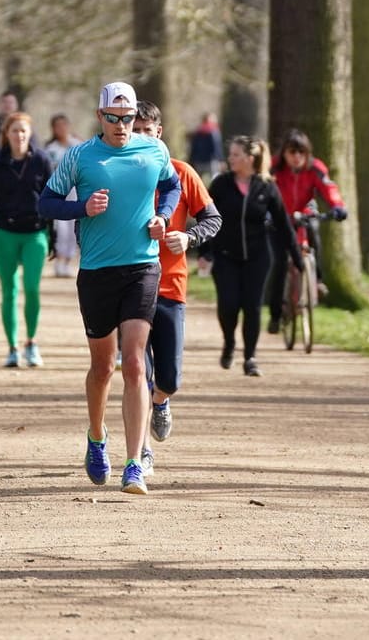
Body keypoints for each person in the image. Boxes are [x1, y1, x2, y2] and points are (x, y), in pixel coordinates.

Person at [36, 81, 181, 495]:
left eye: (129, 119)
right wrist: (82, 208)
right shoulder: (80, 156)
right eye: (114, 119)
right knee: (103, 368)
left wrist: (164, 218)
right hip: (97, 271)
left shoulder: (154, 151)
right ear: (100, 116)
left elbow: (171, 186)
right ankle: (97, 437)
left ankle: (135, 462)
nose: (122, 126)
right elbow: (45, 203)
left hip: (142, 267)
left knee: (134, 363)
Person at [131, 101, 221, 458]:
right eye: (133, 130)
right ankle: (141, 451)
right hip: (131, 286)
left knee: (169, 378)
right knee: (137, 371)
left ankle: (161, 401)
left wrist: (189, 238)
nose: (138, 137)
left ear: (158, 133)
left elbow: (212, 219)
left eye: (145, 131)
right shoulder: (116, 173)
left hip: (171, 285)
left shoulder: (181, 173)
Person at [205, 135, 303, 378]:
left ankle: (250, 357)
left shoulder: (267, 186)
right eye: (231, 154)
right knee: (228, 306)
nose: (231, 159)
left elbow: (283, 224)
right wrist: (205, 251)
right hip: (225, 255)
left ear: (251, 158)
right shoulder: (220, 184)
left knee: (252, 307)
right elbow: (205, 218)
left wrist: (297, 257)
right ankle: (229, 342)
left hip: (258, 257)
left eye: (236, 155)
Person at [0, 112, 54, 368]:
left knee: (32, 288)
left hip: (35, 232)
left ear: (30, 134)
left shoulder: (42, 160)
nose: (19, 136)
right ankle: (12, 347)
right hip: (4, 233)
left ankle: (31, 342)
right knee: (9, 291)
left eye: (23, 131)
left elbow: (51, 198)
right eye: (14, 131)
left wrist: (51, 234)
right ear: (6, 135)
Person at [268, 129, 348, 333]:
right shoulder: (274, 169)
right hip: (279, 219)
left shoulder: (315, 168)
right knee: (278, 263)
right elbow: (263, 190)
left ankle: (318, 279)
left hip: (304, 213)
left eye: (301, 153)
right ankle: (275, 314)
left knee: (314, 231)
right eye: (292, 152)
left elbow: (329, 188)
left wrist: (337, 207)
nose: (296, 157)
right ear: (284, 153)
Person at [41, 114, 80, 278]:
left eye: (64, 125)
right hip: (59, 193)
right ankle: (59, 260)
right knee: (61, 230)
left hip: (77, 193)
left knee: (73, 230)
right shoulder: (50, 149)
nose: (61, 129)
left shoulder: (78, 145)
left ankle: (67, 261)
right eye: (58, 126)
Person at [186, 113, 223, 177]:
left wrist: (191, 160)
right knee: (215, 181)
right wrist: (220, 160)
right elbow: (217, 148)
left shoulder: (198, 132)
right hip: (211, 162)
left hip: (199, 161)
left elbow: (193, 148)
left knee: (198, 181)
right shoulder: (214, 131)